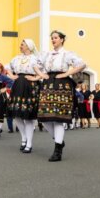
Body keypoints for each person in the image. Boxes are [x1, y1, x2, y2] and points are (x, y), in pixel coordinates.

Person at [38, 30, 86, 162]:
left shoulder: (67, 53)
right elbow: (35, 65)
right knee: (44, 117)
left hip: (62, 84)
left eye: (55, 38)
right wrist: (42, 75)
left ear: (62, 39)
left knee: (58, 118)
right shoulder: (46, 54)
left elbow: (82, 64)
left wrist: (66, 74)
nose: (53, 40)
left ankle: (57, 149)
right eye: (52, 38)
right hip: (48, 83)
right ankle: (59, 140)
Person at [7, 39, 43, 153]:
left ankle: (29, 143)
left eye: (22, 44)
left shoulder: (36, 58)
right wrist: (11, 76)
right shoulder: (17, 58)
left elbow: (43, 72)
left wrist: (35, 78)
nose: (20, 46)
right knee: (17, 114)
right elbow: (6, 67)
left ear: (28, 46)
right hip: (18, 84)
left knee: (28, 117)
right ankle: (23, 138)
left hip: (30, 85)